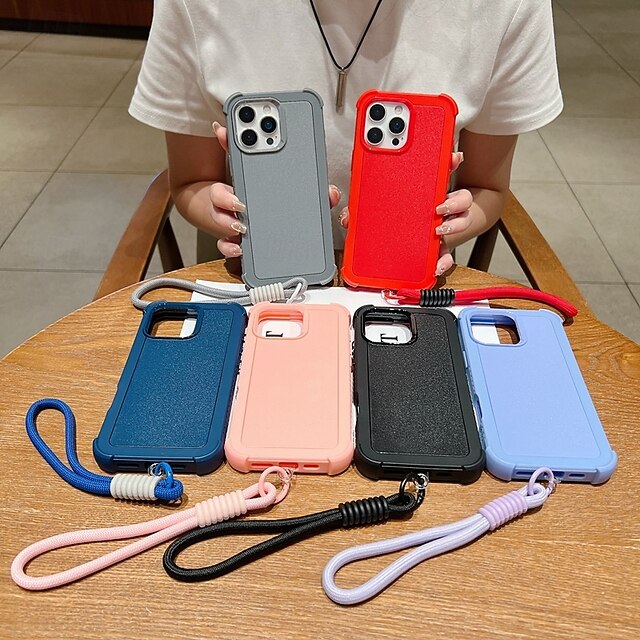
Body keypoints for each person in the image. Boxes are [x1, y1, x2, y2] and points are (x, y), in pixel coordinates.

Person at [129, 0, 562, 276]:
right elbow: (190, 181)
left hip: (404, 281)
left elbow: (487, 187)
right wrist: (227, 215)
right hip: (250, 274)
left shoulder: (506, 7)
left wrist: (448, 223)